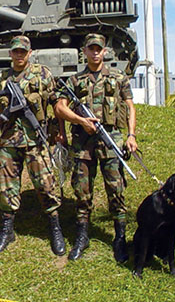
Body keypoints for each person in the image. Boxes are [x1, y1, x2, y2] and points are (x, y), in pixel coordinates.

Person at [54, 33, 137, 262]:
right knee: (82, 191)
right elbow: (60, 108)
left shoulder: (119, 78)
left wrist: (131, 135)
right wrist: (81, 121)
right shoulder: (74, 81)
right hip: (83, 143)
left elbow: (130, 107)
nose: (95, 52)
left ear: (105, 51)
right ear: (85, 51)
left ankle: (119, 238)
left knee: (116, 190)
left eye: (98, 48)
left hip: (112, 140)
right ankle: (82, 236)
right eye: (91, 48)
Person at [0, 35, 65, 256]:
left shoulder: (42, 74)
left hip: (35, 140)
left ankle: (55, 227)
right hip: (10, 140)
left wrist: (60, 132)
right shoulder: (3, 78)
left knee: (46, 184)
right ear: (10, 53)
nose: (19, 55)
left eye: (23, 51)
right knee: (6, 185)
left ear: (30, 53)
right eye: (15, 51)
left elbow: (56, 103)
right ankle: (7, 229)